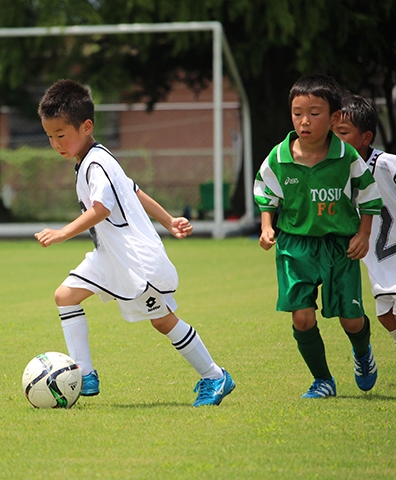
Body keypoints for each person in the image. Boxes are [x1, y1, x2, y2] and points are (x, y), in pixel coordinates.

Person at [34, 79, 235, 407]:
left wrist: (61, 233)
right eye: (49, 137)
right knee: (66, 296)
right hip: (108, 256)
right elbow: (135, 191)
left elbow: (102, 209)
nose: (55, 143)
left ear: (86, 127)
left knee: (163, 321)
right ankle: (85, 373)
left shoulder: (97, 163)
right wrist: (169, 220)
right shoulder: (94, 160)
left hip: (136, 261)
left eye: (60, 135)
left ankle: (215, 376)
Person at [253, 74, 383, 398]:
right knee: (301, 317)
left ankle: (363, 352)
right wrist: (267, 226)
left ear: (334, 117)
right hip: (295, 246)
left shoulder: (347, 158)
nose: (304, 121)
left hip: (340, 245)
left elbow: (368, 198)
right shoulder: (279, 157)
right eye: (297, 113)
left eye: (314, 113)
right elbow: (267, 195)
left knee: (351, 320)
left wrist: (364, 234)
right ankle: (322, 379)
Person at [333, 94, 396, 344]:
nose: (335, 140)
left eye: (343, 133)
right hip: (379, 262)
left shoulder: (386, 165)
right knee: (386, 317)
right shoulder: (334, 176)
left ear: (366, 138)